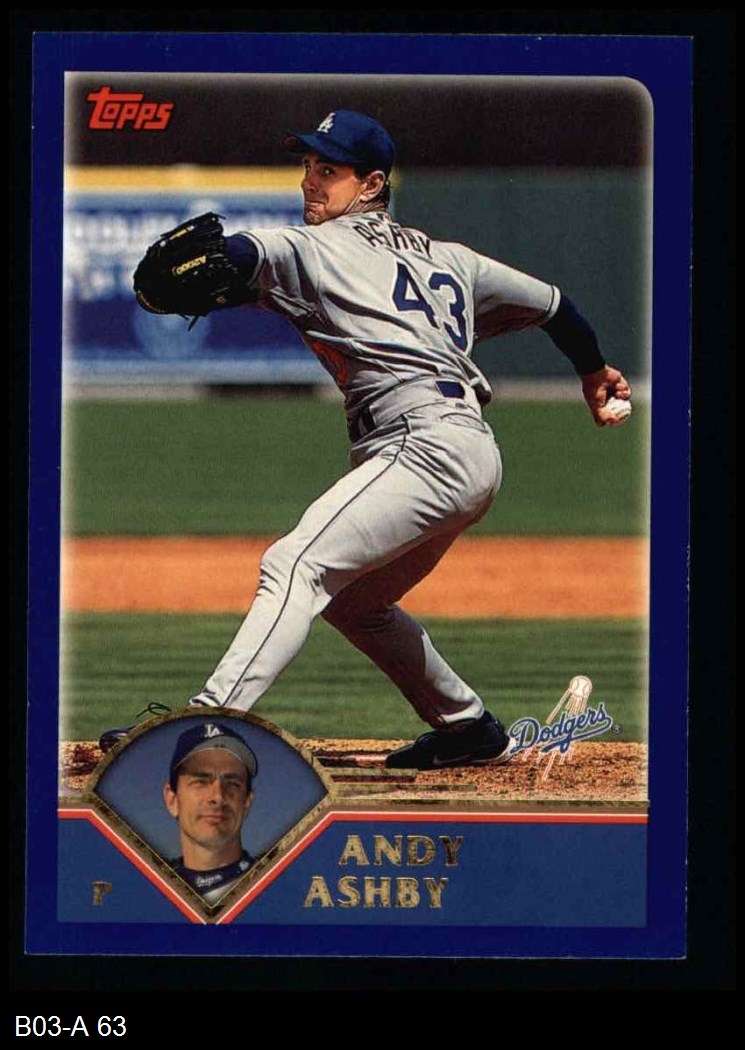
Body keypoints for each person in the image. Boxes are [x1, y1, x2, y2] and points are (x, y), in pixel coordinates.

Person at [110, 108, 631, 771]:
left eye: (328, 170)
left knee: (294, 565)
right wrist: (592, 372)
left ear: (372, 184)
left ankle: (206, 725)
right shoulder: (452, 259)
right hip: (470, 452)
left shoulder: (315, 246)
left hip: (423, 447)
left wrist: (227, 262)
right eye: (307, 166)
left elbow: (244, 253)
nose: (310, 181)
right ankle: (468, 727)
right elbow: (557, 306)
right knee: (357, 603)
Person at [163, 720, 258, 904]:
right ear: (172, 800)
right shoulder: (145, 890)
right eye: (200, 782)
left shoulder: (277, 886)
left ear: (246, 803)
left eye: (233, 784)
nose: (218, 796)